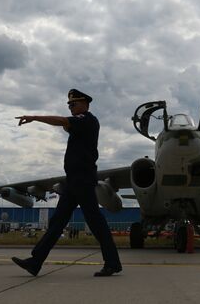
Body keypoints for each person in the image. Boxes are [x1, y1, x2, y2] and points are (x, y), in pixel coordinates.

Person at [11, 89, 122, 277]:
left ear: (85, 104)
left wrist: (35, 117)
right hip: (72, 180)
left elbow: (62, 122)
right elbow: (66, 126)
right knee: (57, 222)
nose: (71, 107)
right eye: (69, 105)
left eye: (74, 104)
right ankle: (35, 262)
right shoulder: (79, 124)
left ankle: (112, 263)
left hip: (84, 179)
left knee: (95, 222)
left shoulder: (88, 120)